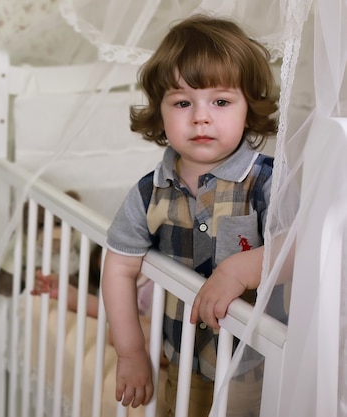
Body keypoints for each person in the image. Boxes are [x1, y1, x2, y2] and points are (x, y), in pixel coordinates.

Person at [102, 15, 280, 417]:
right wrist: (129, 351)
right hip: (181, 362)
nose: (201, 117)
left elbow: (301, 246)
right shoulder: (150, 191)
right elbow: (119, 267)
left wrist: (239, 271)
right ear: (160, 112)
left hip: (255, 366)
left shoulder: (266, 182)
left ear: (248, 106)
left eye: (220, 101)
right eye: (183, 102)